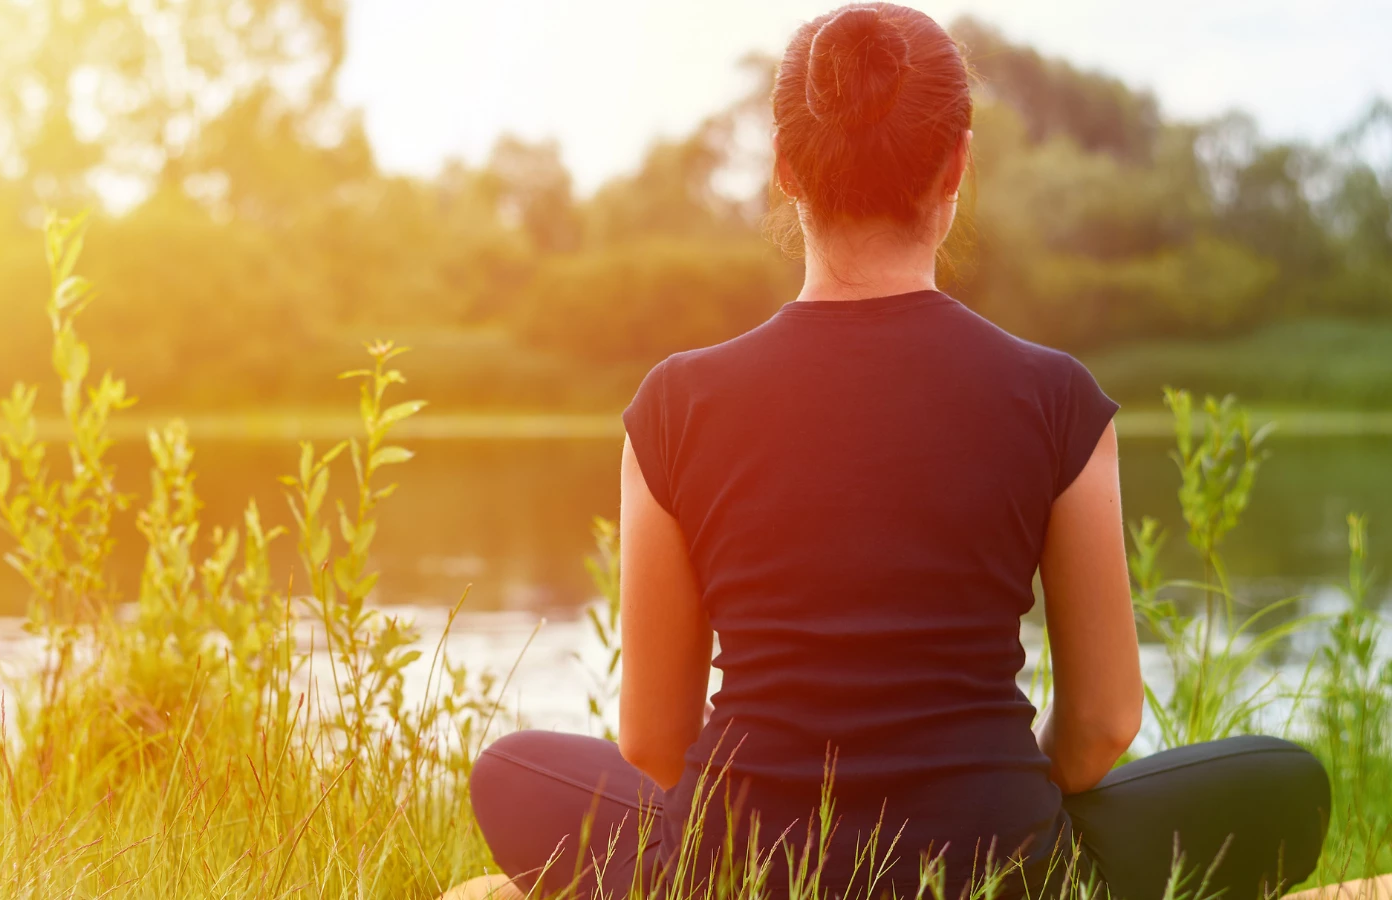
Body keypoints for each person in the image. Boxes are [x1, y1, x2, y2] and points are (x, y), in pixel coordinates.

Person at [444, 4, 1332, 898]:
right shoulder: (1056, 397)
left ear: (787, 172)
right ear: (956, 165)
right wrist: (990, 801)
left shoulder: (673, 405)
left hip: (736, 873)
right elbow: (1102, 726)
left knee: (512, 771)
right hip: (1001, 870)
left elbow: (654, 743)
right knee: (1283, 780)